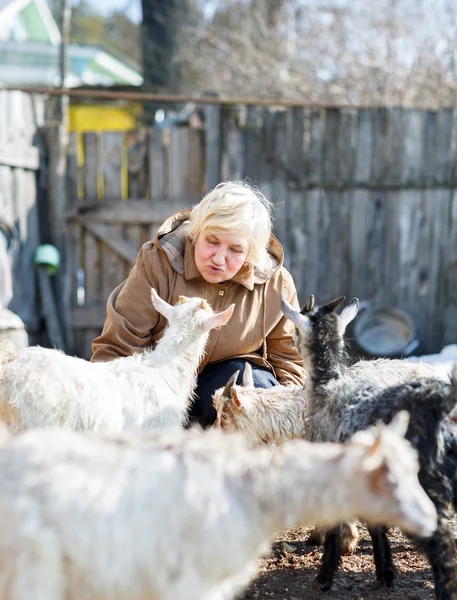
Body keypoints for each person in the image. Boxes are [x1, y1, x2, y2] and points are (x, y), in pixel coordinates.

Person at [91, 181, 305, 428]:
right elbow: (118, 347)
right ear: (196, 233)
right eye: (212, 241)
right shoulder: (157, 263)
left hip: (224, 399)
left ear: (251, 254)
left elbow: (288, 362)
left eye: (235, 249)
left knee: (255, 384)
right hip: (157, 392)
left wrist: (287, 425)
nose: (219, 258)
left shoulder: (276, 284)